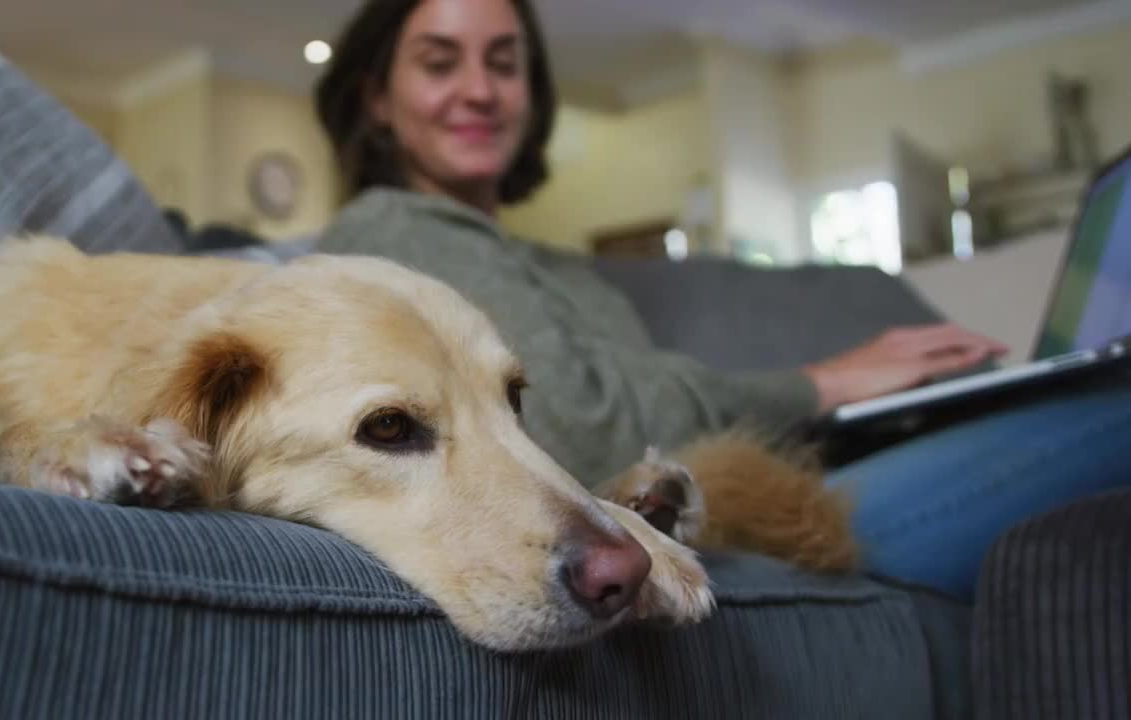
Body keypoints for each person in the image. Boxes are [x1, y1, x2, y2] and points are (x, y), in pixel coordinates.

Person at [309, 0, 1131, 600]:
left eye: (504, 60)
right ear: (378, 97)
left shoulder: (552, 266)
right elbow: (584, 427)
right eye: (439, 61)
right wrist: (825, 383)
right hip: (782, 515)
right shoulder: (394, 228)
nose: (480, 90)